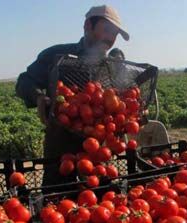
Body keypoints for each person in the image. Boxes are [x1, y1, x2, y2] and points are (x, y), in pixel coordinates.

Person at [15, 5, 129, 185]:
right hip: (61, 149)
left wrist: (130, 116)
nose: (110, 38)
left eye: (115, 34)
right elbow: (24, 82)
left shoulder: (113, 66)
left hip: (99, 153)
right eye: (106, 30)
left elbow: (123, 101)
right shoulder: (56, 56)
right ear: (87, 26)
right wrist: (38, 97)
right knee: (57, 199)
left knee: (102, 204)